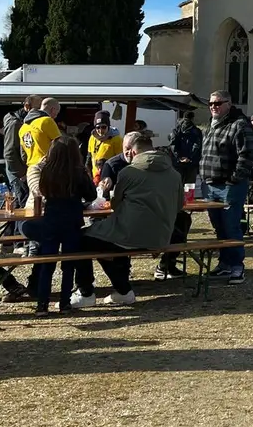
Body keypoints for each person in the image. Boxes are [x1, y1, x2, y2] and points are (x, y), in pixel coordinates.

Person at [67, 132, 184, 308]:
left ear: (134, 153)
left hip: (129, 235)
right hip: (160, 236)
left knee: (80, 240)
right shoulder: (174, 174)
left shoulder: (129, 172)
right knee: (106, 244)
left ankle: (86, 292)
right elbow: (179, 206)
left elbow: (116, 204)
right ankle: (122, 291)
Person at [22, 136, 98, 316]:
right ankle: (64, 303)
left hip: (51, 221)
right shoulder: (79, 172)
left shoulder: (47, 171)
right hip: (72, 223)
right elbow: (91, 196)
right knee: (68, 265)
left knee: (47, 264)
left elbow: (42, 194)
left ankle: (42, 305)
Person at [199, 90, 253, 285]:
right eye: (211, 103)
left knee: (232, 226)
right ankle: (224, 263)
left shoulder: (239, 125)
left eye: (217, 103)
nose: (213, 107)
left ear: (229, 104)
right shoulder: (212, 125)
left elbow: (248, 154)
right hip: (210, 184)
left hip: (228, 185)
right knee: (219, 227)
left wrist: (234, 179)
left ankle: (237, 266)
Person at [2, 95, 38, 207]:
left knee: (20, 204)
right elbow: (9, 151)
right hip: (19, 174)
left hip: (20, 172)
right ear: (27, 106)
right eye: (37, 109)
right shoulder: (15, 124)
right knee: (23, 204)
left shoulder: (20, 122)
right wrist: (21, 174)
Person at [20, 97, 63, 170]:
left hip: (31, 169)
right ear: (53, 110)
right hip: (48, 167)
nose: (56, 116)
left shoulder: (23, 127)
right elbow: (60, 145)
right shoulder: (47, 121)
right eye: (57, 113)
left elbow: (23, 154)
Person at [87, 111, 123, 182]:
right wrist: (87, 171)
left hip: (109, 177)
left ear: (108, 126)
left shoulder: (116, 139)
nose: (100, 130)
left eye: (103, 127)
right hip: (95, 176)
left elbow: (120, 160)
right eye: (98, 127)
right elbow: (89, 156)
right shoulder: (92, 137)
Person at [169, 110, 203, 185]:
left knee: (177, 184)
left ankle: (178, 197)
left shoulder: (176, 130)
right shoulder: (197, 131)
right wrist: (189, 157)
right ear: (192, 118)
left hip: (178, 162)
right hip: (192, 162)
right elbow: (197, 145)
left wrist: (179, 157)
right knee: (189, 185)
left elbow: (173, 144)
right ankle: (188, 197)